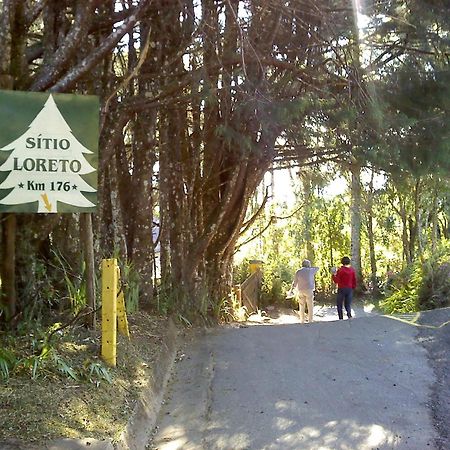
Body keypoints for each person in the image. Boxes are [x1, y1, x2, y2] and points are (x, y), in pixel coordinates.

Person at [290, 259, 319, 323]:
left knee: (301, 305)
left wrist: (292, 289)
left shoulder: (298, 271)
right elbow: (317, 268)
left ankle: (302, 320)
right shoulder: (311, 270)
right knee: (310, 305)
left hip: (300, 290)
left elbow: (295, 282)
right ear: (308, 265)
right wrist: (310, 267)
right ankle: (310, 320)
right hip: (309, 289)